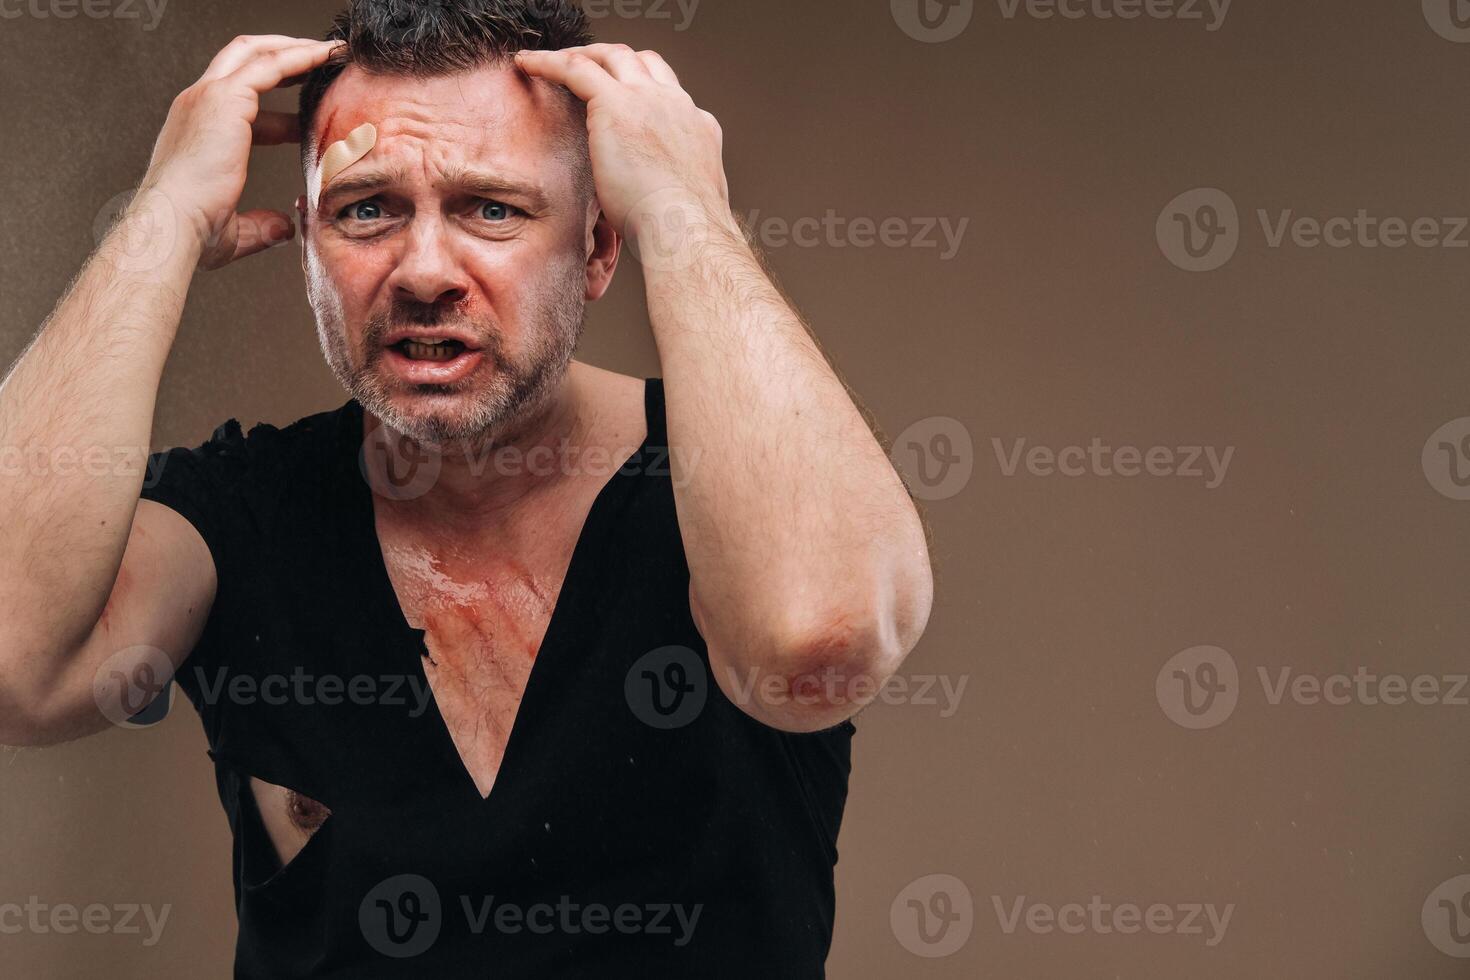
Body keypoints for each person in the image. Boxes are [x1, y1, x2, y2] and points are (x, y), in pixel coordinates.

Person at [0, 1, 934, 975]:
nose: (425, 270)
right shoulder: (242, 512)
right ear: (309, 248)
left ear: (599, 248)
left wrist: (685, 210)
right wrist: (162, 218)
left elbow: (818, 637)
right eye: (366, 208)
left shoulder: (728, 485)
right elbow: (13, 664)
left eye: (492, 207)